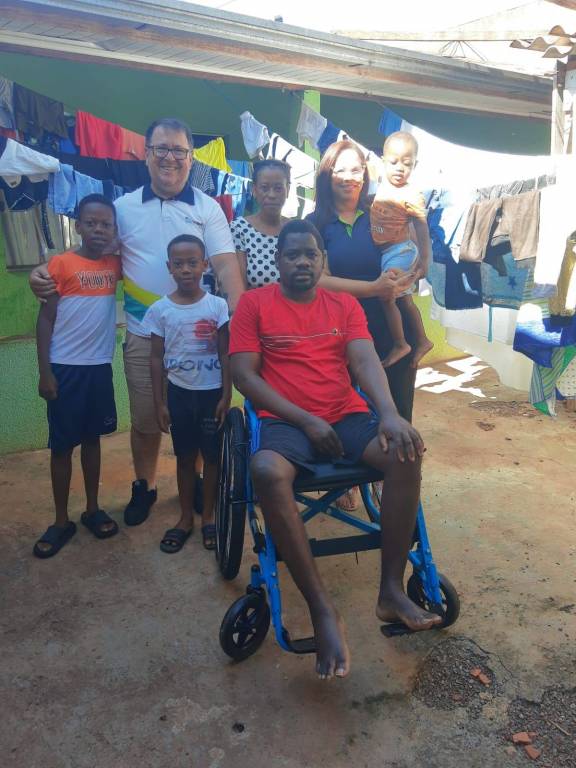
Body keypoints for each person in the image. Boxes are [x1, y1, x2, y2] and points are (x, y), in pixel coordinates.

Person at [229, 219, 442, 680]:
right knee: (266, 471)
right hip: (286, 420)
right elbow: (243, 375)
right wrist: (305, 419)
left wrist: (390, 414)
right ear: (278, 261)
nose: (302, 262)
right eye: (292, 254)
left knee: (405, 450)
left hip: (345, 414)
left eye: (311, 254)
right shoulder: (253, 304)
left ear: (322, 260)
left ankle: (390, 590)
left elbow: (364, 360)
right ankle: (322, 609)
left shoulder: (343, 304)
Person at [30, 118, 244, 527]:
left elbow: (226, 267)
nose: (170, 158)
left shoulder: (208, 208)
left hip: (199, 336)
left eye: (179, 150)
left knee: (197, 413)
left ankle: (196, 479)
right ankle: (144, 485)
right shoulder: (124, 208)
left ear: (191, 158)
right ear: (146, 155)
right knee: (146, 419)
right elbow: (91, 250)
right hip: (146, 335)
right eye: (161, 148)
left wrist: (240, 319)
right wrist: (44, 270)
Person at [308, 140, 419, 513]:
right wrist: (373, 288)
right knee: (343, 408)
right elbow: (320, 280)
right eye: (339, 170)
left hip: (389, 329)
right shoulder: (316, 223)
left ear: (365, 174)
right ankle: (346, 481)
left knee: (396, 406)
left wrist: (408, 274)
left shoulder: (380, 213)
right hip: (336, 333)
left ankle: (392, 480)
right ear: (327, 176)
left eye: (355, 169)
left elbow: (408, 250)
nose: (348, 177)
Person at [34, 194, 121, 559]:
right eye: (91, 223)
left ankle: (92, 509)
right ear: (78, 225)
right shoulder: (60, 265)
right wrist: (45, 373)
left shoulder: (115, 264)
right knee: (61, 447)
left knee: (92, 440)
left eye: (106, 224)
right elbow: (45, 320)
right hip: (65, 369)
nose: (98, 229)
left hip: (98, 368)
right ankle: (60, 521)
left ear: (114, 229)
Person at [146, 234, 231, 553]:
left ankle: (208, 517)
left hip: (211, 396)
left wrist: (226, 395)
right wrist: (160, 403)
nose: (186, 269)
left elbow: (225, 354)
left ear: (204, 265)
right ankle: (185, 518)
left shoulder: (217, 306)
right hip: (180, 396)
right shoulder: (160, 310)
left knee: (211, 458)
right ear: (169, 267)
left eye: (192, 263)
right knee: (184, 457)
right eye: (179, 264)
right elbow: (156, 359)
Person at [370, 131, 433, 368]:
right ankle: (423, 340)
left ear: (415, 164)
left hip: (401, 251)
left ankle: (400, 344)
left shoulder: (412, 194)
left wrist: (425, 259)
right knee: (405, 300)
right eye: (394, 162)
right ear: (383, 161)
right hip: (387, 252)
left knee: (386, 296)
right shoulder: (381, 187)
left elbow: (422, 227)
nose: (400, 168)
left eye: (407, 164)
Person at [230, 159, 291, 289]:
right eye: (264, 187)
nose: (271, 195)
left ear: (288, 190)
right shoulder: (239, 229)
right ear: (254, 190)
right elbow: (239, 287)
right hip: (253, 302)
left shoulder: (296, 230)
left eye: (278, 188)